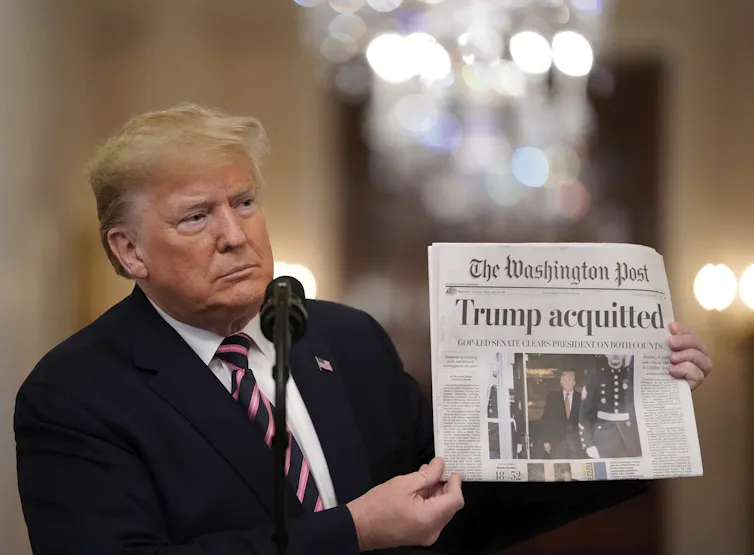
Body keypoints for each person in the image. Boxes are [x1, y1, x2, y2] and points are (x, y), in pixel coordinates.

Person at [14, 104, 714, 555]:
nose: (235, 235)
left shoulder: (344, 339)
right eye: (197, 216)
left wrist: (635, 414)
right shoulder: (74, 394)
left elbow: (460, 500)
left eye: (246, 201)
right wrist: (354, 530)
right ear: (129, 250)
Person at [579, 355, 641, 459]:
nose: (615, 354)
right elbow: (586, 414)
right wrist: (588, 444)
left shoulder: (633, 377)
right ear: (606, 354)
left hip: (630, 438)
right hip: (603, 439)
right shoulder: (595, 378)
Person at [541, 370, 584, 459]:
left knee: (576, 468)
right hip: (557, 442)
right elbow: (546, 419)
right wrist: (546, 441)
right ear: (561, 382)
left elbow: (586, 421)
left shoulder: (581, 398)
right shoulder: (552, 397)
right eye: (564, 380)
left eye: (570, 380)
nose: (567, 383)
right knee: (557, 468)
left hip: (576, 442)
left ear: (574, 382)